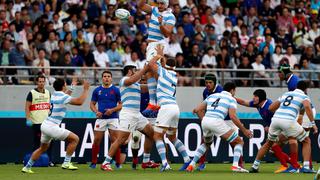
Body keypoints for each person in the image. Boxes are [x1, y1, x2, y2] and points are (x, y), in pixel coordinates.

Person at [22, 79, 90, 173]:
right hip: (52, 127)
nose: (66, 85)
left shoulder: (55, 94)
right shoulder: (62, 96)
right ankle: (66, 163)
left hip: (45, 125)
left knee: (42, 148)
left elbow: (65, 96)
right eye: (65, 84)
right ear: (63, 86)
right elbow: (79, 102)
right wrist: (86, 90)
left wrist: (72, 87)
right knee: (75, 139)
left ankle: (27, 167)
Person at [249, 81, 318, 173]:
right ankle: (306, 167)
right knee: (306, 141)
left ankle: (255, 166)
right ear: (306, 89)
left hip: (276, 120)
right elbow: (307, 107)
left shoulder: (287, 94)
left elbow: (270, 108)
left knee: (268, 143)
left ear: (296, 87)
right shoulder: (304, 96)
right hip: (288, 121)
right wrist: (313, 124)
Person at [100, 64, 156, 171]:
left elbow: (147, 88)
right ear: (130, 71)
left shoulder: (136, 84)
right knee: (121, 139)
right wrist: (145, 69)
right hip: (128, 114)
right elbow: (132, 80)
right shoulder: (125, 80)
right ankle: (106, 163)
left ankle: (146, 161)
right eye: (135, 70)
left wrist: (155, 77)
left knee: (151, 133)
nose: (137, 73)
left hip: (137, 114)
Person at [187, 82, 252, 172]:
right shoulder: (231, 99)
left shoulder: (212, 96)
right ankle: (235, 165)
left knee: (206, 144)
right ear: (232, 90)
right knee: (239, 141)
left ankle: (191, 164)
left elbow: (197, 109)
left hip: (205, 121)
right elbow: (233, 116)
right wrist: (244, 130)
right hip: (216, 121)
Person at [147, 45, 191, 172]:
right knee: (172, 137)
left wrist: (159, 55)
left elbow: (151, 64)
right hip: (175, 108)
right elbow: (163, 67)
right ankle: (187, 160)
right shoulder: (173, 75)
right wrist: (163, 59)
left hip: (166, 108)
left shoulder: (163, 72)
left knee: (157, 136)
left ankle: (165, 163)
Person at [138, 0, 176, 117]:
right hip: (151, 45)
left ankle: (157, 103)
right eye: (158, 3)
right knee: (150, 72)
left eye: (162, 4)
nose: (159, 6)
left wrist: (161, 25)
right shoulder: (154, 10)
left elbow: (167, 34)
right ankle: (153, 103)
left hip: (158, 44)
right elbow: (141, 6)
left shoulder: (170, 16)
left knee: (154, 70)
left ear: (166, 4)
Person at [89, 71, 122, 169]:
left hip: (113, 118)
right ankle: (94, 162)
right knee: (97, 140)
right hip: (101, 118)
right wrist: (96, 112)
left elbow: (121, 104)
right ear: (102, 78)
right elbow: (92, 104)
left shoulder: (116, 90)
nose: (106, 78)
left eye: (108, 76)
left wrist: (112, 110)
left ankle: (117, 163)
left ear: (111, 78)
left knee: (115, 141)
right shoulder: (97, 90)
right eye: (104, 76)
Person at [25, 75, 53, 166]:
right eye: (39, 81)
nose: (41, 83)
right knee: (37, 143)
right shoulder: (32, 93)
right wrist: (28, 118)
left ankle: (49, 161)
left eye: (43, 81)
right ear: (37, 82)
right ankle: (34, 161)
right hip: (36, 123)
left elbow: (50, 106)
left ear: (45, 82)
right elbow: (27, 107)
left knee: (49, 142)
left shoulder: (48, 93)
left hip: (47, 122)